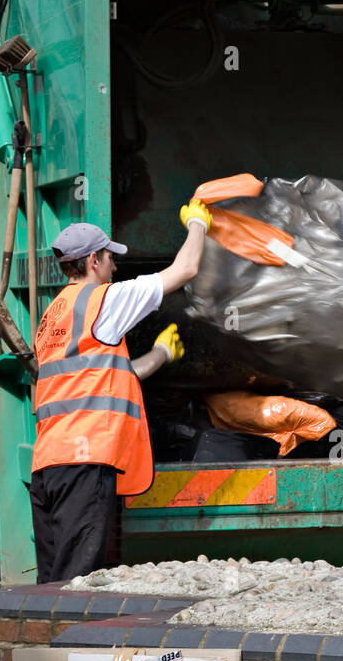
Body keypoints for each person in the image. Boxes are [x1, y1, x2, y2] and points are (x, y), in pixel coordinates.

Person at [30, 202, 212, 583]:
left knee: (54, 583)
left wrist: (160, 354)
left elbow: (107, 376)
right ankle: (67, 644)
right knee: (77, 583)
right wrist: (197, 223)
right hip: (86, 459)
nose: (115, 267)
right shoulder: (105, 300)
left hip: (50, 465)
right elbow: (185, 270)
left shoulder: (54, 315)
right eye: (111, 258)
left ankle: (46, 641)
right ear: (93, 260)